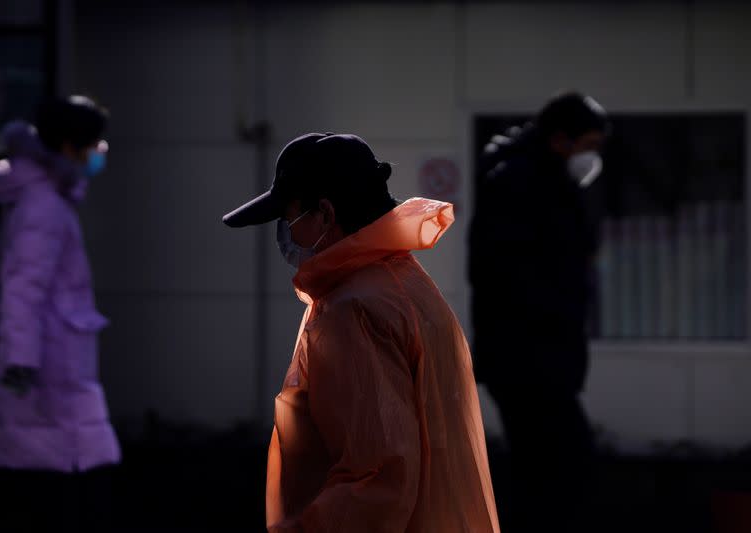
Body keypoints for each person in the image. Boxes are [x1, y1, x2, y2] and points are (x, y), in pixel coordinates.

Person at [223, 133, 500, 533]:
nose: (286, 234)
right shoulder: (402, 283)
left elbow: (377, 476)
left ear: (325, 213)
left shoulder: (352, 307)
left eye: (289, 218)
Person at [0, 96, 120, 533]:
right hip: (46, 365)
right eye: (94, 143)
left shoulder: (43, 197)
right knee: (53, 486)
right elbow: (24, 288)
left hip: (47, 357)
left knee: (38, 474)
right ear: (70, 146)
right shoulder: (45, 205)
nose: (99, 151)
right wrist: (20, 361)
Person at [468, 91, 609, 533]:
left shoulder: (549, 182)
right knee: (557, 469)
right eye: (587, 145)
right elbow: (504, 273)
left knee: (548, 472)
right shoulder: (519, 183)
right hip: (528, 358)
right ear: (560, 140)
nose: (591, 157)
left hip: (540, 356)